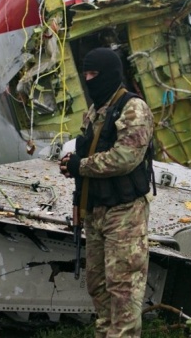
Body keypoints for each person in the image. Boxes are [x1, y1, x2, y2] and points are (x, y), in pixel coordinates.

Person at [59, 47, 154, 338]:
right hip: (97, 210)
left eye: (94, 74)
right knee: (98, 286)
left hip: (124, 213)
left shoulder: (133, 109)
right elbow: (88, 150)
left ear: (110, 74)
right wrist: (71, 165)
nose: (88, 80)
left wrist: (82, 165)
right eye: (85, 73)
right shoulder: (95, 111)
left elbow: (126, 157)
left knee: (123, 289)